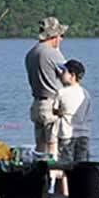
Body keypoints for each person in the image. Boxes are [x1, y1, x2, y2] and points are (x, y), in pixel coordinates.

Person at [25, 16, 67, 156]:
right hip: (51, 106)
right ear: (54, 36)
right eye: (61, 35)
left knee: (40, 147)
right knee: (54, 146)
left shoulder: (31, 53)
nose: (61, 39)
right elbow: (66, 76)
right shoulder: (53, 54)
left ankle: (40, 176)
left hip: (37, 104)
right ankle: (53, 175)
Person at [55, 59, 91, 163]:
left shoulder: (61, 92)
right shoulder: (86, 94)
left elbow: (55, 110)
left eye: (64, 72)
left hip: (66, 134)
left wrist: (59, 112)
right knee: (82, 165)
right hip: (84, 134)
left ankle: (66, 180)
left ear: (72, 75)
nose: (61, 74)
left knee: (66, 164)